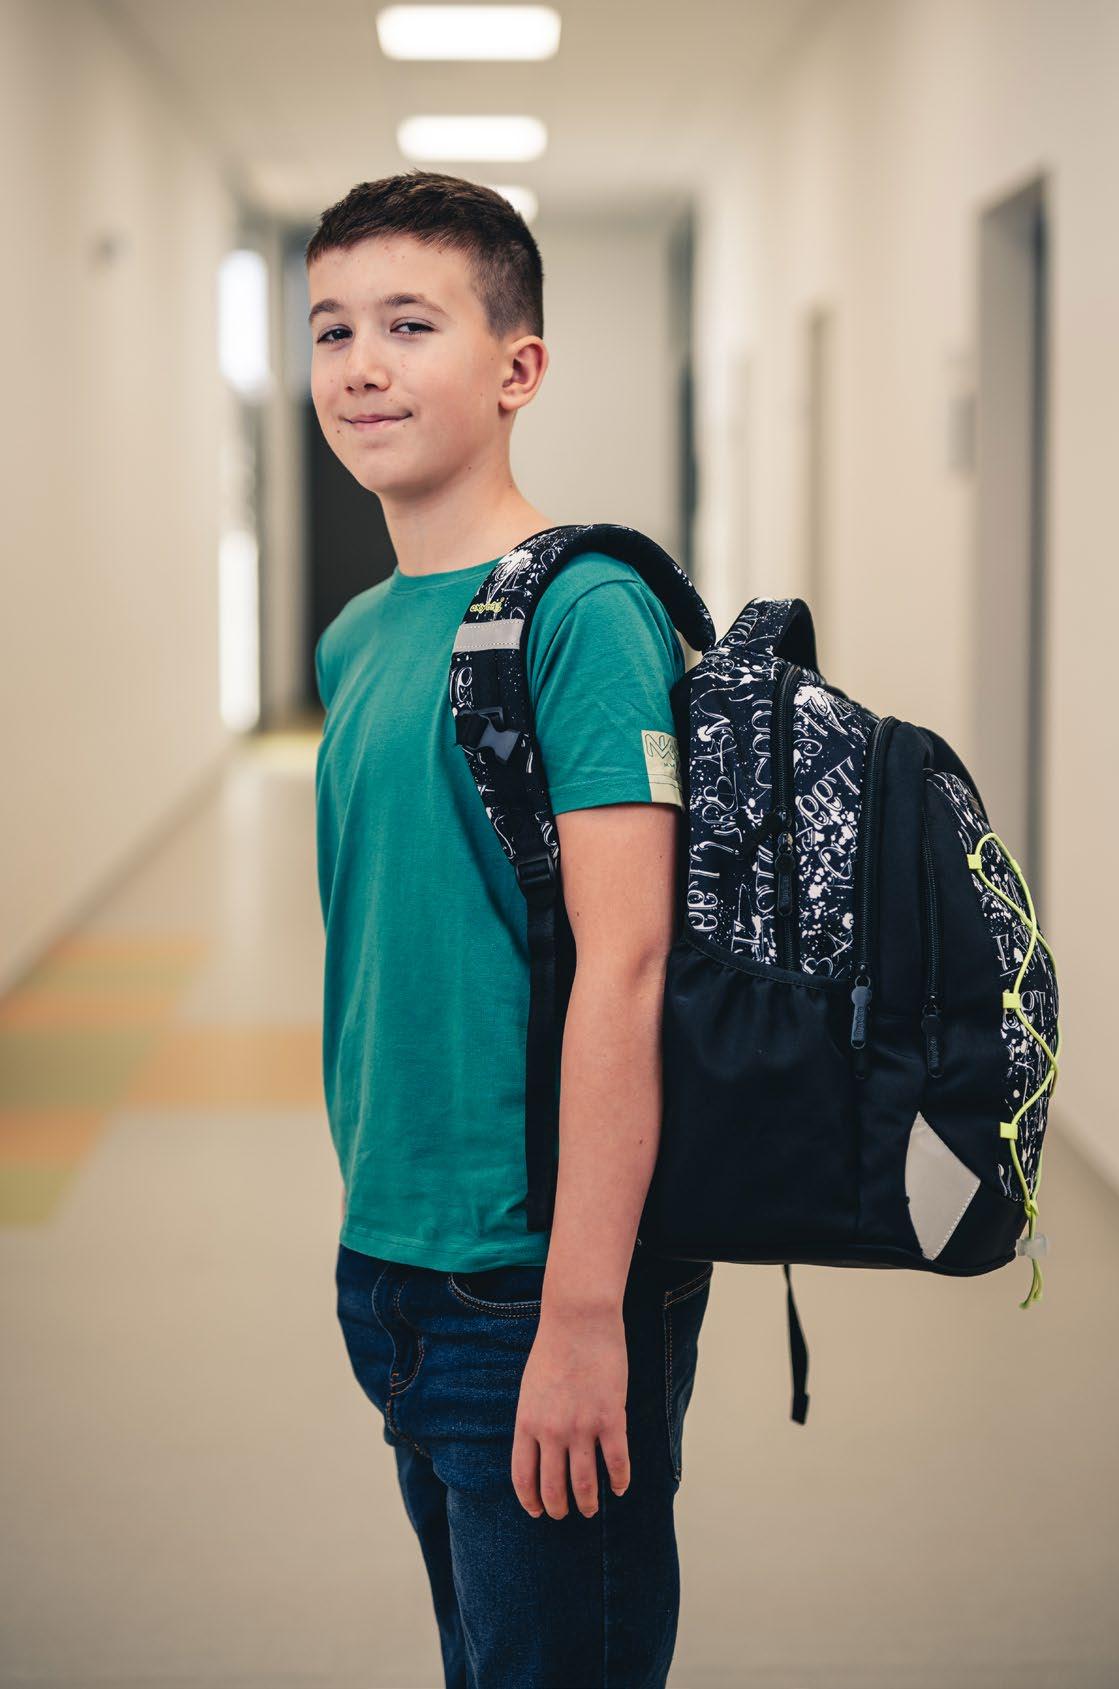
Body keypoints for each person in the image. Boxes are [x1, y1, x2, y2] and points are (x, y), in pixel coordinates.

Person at [309, 169, 713, 1687]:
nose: (362, 365)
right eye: (332, 328)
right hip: (392, 1256)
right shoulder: (359, 635)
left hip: (533, 1271)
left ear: (518, 367)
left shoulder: (581, 613)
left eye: (410, 324)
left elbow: (629, 961)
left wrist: (587, 1309)